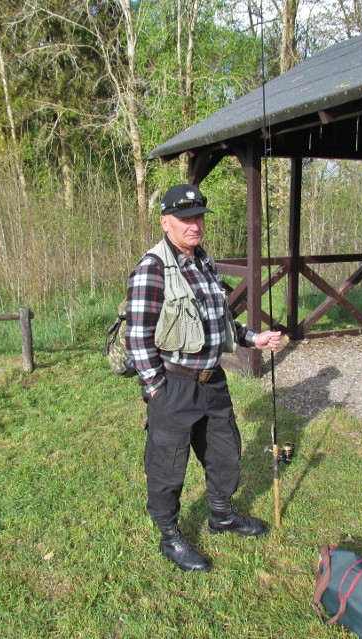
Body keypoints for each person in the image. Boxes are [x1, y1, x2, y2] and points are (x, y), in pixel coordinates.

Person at [125, 183, 283, 572]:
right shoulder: (153, 267)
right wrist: (156, 389)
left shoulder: (205, 262)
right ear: (166, 222)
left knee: (225, 453)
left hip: (213, 382)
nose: (194, 225)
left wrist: (252, 337)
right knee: (167, 465)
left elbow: (220, 320)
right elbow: (138, 337)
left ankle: (222, 515)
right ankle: (169, 535)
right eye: (185, 218)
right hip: (174, 386)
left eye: (198, 217)